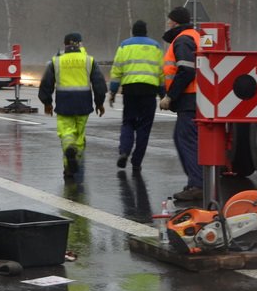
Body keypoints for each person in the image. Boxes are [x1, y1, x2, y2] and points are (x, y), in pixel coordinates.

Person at [38, 33, 107, 177]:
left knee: (66, 133)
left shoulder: (56, 61)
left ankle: (68, 160)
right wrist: (99, 103)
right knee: (80, 136)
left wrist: (47, 102)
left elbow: (46, 83)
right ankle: (74, 158)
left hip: (64, 103)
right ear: (79, 44)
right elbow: (99, 84)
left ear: (65, 45)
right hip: (83, 104)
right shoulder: (89, 60)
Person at [159, 6, 203, 200]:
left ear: (175, 22)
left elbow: (186, 71)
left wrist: (171, 96)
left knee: (187, 141)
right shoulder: (194, 36)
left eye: (169, 21)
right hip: (196, 98)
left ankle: (198, 185)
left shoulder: (183, 39)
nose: (168, 24)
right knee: (183, 139)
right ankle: (196, 182)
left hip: (189, 99)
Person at [109, 19, 164, 172]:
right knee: (144, 128)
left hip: (130, 90)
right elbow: (161, 71)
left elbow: (117, 70)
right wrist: (163, 93)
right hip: (149, 91)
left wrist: (113, 91)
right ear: (146, 31)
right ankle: (137, 161)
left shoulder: (124, 45)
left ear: (133, 31)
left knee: (128, 123)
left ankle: (125, 150)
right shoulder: (155, 46)